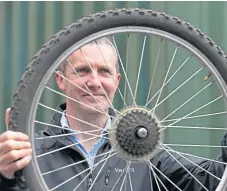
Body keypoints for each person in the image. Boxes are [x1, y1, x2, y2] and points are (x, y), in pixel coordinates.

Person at [0, 37, 226, 191]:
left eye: (104, 72)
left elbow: (218, 177)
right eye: (83, 71)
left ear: (116, 81)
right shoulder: (30, 152)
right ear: (61, 80)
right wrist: (4, 177)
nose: (95, 82)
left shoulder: (147, 155)